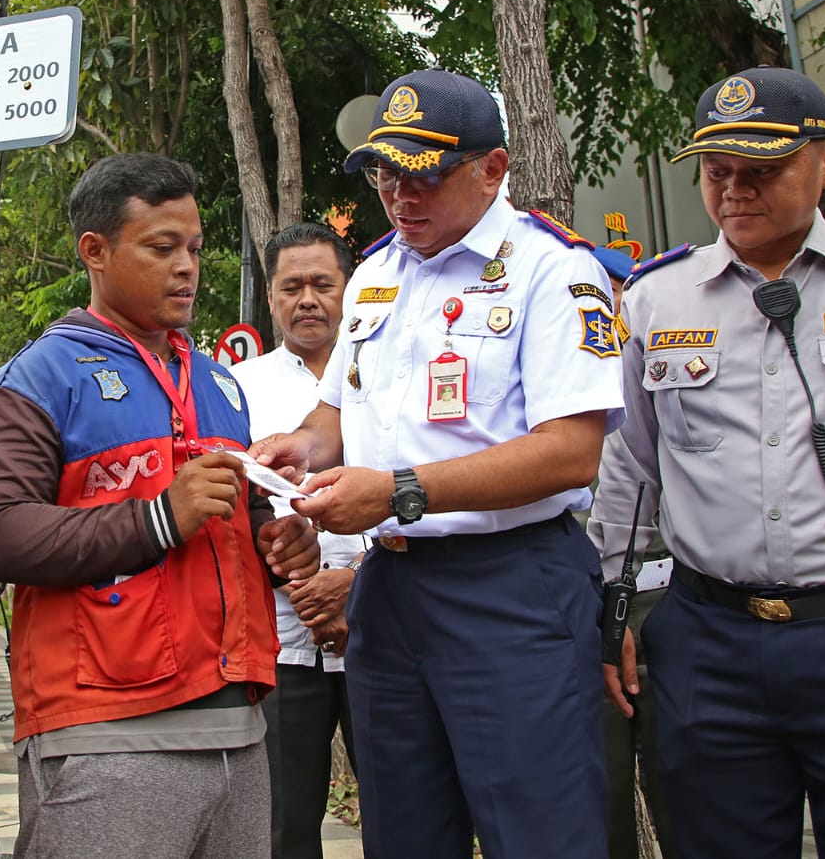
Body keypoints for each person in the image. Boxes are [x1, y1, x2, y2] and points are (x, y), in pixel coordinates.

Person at [588, 65, 825, 859]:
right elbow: (628, 472)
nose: (734, 192)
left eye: (761, 171)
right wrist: (612, 610)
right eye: (717, 172)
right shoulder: (655, 300)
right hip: (710, 644)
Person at [252, 68, 626, 859]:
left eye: (426, 176)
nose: (402, 197)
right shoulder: (380, 275)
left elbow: (572, 452)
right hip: (391, 598)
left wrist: (398, 493)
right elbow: (343, 411)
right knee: (405, 832)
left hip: (509, 589)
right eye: (387, 175)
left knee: (540, 830)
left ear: (493, 170)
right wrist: (304, 445)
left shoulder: (553, 271)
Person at [0, 153, 319, 859]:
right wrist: (158, 516)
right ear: (95, 250)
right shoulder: (38, 377)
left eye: (194, 248)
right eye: (161, 248)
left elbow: (233, 524)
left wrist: (279, 547)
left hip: (240, 729)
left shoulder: (222, 383)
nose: (186, 266)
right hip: (102, 730)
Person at [230, 222, 368, 859]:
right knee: (282, 824)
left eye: (323, 284)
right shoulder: (238, 387)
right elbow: (231, 505)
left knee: (408, 810)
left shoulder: (391, 375)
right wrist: (301, 583)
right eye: (292, 287)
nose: (308, 299)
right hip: (285, 639)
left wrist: (357, 584)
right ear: (271, 296)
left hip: (385, 628)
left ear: (350, 287)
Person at [587, 246, 677, 859]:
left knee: (692, 796)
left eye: (618, 298)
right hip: (585, 610)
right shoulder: (542, 389)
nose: (611, 316)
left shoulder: (668, 372)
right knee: (600, 800)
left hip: (675, 605)